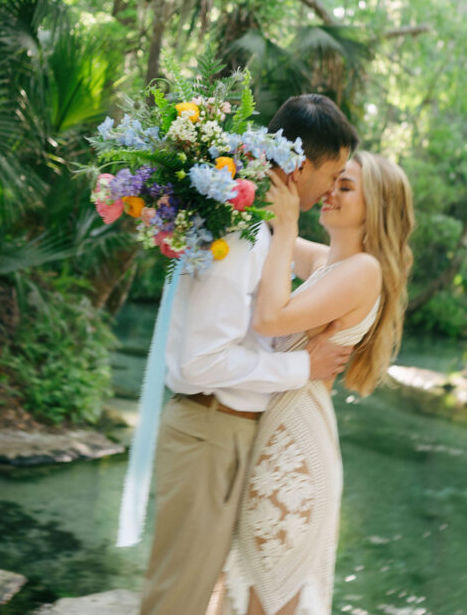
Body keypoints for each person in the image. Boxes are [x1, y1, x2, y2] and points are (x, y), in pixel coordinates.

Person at [139, 94, 361, 615]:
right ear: (301, 165)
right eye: (333, 175)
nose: (331, 188)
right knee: (178, 601)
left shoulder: (261, 229)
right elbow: (202, 362)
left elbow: (336, 265)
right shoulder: (237, 236)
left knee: (206, 597)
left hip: (230, 435)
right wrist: (301, 368)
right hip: (209, 433)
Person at [215, 151, 415, 615]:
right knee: (246, 591)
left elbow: (269, 318)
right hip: (275, 431)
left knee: (266, 596)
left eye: (346, 187)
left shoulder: (365, 271)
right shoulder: (330, 263)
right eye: (334, 183)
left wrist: (287, 228)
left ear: (376, 208)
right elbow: (268, 224)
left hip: (294, 447)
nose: (331, 193)